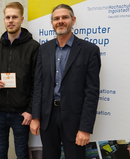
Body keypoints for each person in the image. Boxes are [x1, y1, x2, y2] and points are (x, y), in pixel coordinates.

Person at [30, 4, 101, 159]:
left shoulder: (89, 50)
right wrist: (35, 117)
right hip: (48, 116)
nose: (60, 21)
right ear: (52, 23)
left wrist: (85, 128)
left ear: (73, 20)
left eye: (64, 17)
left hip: (74, 118)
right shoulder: (44, 49)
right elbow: (38, 85)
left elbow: (92, 92)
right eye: (56, 18)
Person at [0, 2, 39, 159]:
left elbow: (37, 82)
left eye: (14, 17)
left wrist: (30, 110)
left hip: (22, 113)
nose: (11, 20)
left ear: (21, 19)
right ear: (4, 20)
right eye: (8, 17)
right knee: (0, 150)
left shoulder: (33, 47)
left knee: (22, 152)